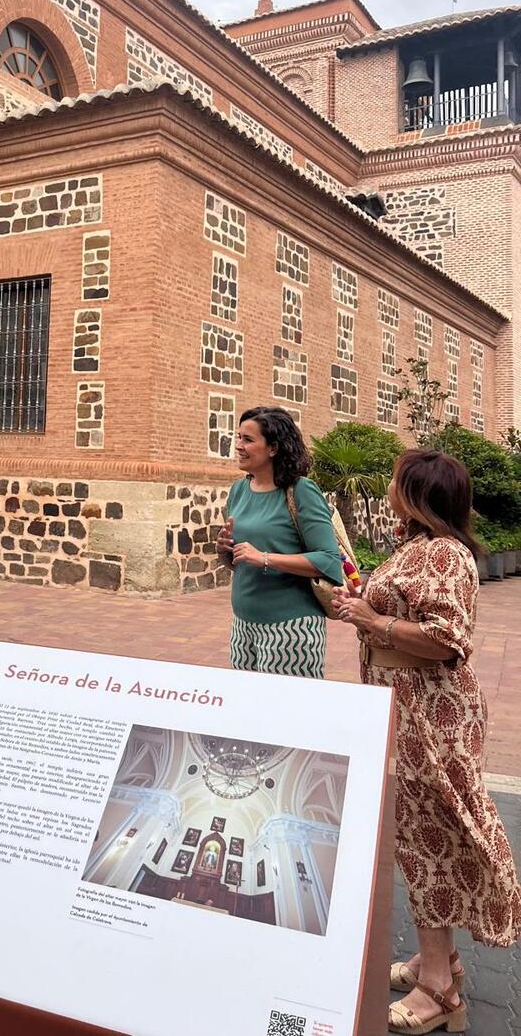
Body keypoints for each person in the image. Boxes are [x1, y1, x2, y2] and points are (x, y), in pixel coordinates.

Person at [333, 449, 520, 1035]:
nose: (388, 485)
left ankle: (438, 988)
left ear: (417, 491)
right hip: (412, 710)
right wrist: (361, 608)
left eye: (395, 479)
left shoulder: (442, 552)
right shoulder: (418, 545)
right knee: (422, 834)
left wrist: (371, 620)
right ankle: (440, 959)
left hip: (430, 717)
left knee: (429, 840)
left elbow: (445, 640)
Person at [216, 406, 342, 678]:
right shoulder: (239, 490)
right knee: (246, 711)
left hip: (290, 628)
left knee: (285, 715)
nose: (238, 446)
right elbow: (238, 561)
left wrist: (263, 557)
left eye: (248, 440)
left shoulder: (301, 491)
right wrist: (224, 549)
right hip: (242, 624)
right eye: (238, 437)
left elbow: (328, 560)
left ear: (273, 448)